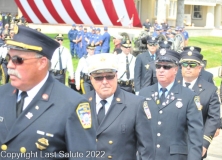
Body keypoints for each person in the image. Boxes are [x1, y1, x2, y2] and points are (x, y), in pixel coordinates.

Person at [0, 25, 96, 159]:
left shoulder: (72, 104)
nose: (10, 65)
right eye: (8, 58)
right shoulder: (2, 94)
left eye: (18, 60)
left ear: (42, 63)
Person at [84, 53, 154, 160]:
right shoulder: (80, 103)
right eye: (98, 77)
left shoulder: (135, 104)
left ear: (116, 76)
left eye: (109, 76)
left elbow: (146, 149)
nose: (104, 82)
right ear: (91, 79)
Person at [139, 49, 203, 160]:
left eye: (166, 67)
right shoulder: (144, 93)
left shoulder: (189, 96)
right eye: (158, 66)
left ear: (175, 69)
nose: (161, 70)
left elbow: (195, 137)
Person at [176, 48, 220, 159]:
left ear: (199, 68)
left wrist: (204, 143)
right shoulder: (171, 85)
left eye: (192, 65)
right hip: (171, 142)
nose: (188, 67)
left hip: (195, 144)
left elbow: (213, 118)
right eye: (185, 64)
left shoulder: (210, 90)